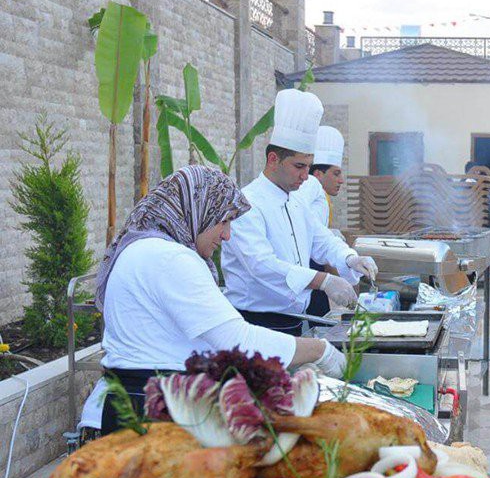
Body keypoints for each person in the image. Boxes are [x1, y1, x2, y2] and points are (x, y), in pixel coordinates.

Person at [93, 166, 345, 435]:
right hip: (156, 412)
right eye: (223, 221)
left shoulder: (144, 249)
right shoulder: (170, 258)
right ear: (197, 209)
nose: (227, 235)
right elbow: (237, 341)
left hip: (136, 403)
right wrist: (319, 350)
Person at [222, 90, 378, 333]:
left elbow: (321, 239)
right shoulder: (247, 203)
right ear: (273, 159)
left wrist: (350, 258)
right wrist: (323, 280)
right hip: (255, 323)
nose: (306, 176)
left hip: (293, 320)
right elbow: (261, 266)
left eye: (308, 166)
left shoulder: (296, 201)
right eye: (299, 166)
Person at [298, 125, 347, 317]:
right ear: (317, 174)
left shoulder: (322, 196)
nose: (341, 180)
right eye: (336, 173)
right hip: (310, 271)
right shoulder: (312, 188)